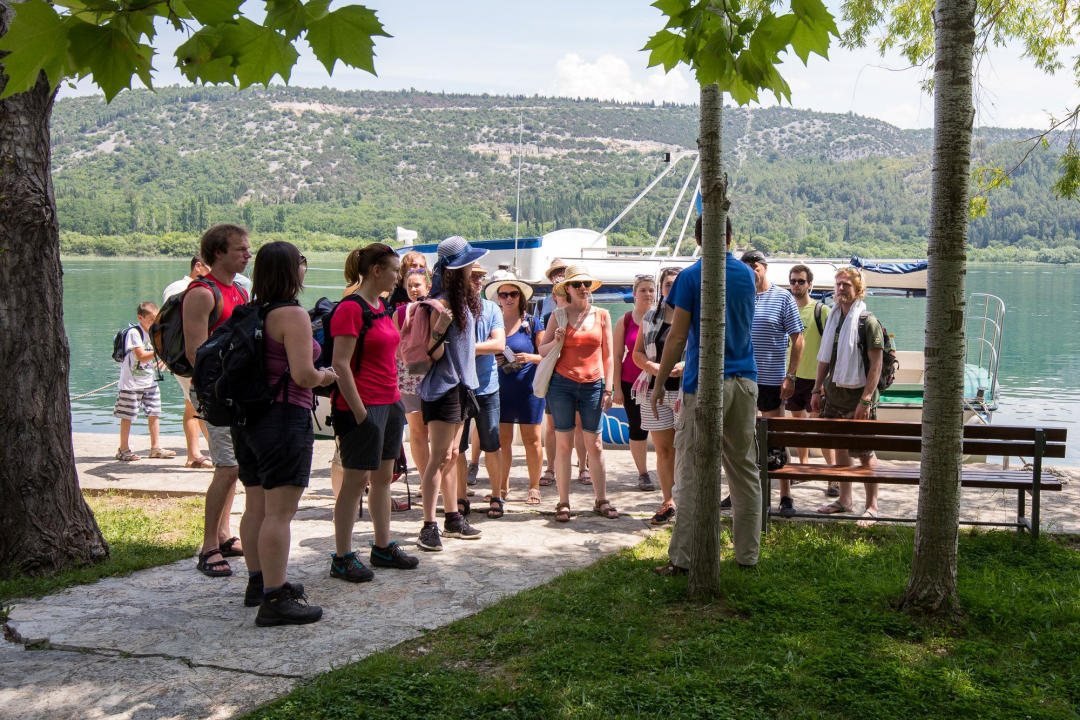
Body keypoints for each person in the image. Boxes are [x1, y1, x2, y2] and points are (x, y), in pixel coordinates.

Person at [652, 215, 760, 574]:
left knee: (691, 472)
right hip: (745, 382)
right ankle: (747, 557)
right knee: (744, 471)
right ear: (730, 236)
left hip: (705, 385)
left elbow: (677, 337)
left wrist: (658, 382)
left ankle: (683, 559)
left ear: (699, 239)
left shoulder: (691, 276)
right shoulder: (747, 275)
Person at [235, 241, 335, 626]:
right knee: (280, 513)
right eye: (302, 263)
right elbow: (304, 375)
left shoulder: (251, 311)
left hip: (249, 419)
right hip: (283, 417)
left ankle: (258, 582)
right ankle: (275, 599)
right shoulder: (292, 314)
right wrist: (328, 376)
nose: (305, 269)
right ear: (293, 270)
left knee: (256, 506)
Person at [330, 242, 421, 580]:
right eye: (396, 270)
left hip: (390, 402)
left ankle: (382, 547)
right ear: (376, 270)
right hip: (364, 407)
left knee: (384, 479)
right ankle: (342, 556)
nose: (400, 277)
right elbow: (340, 363)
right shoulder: (350, 309)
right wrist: (359, 413)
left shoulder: (380, 306)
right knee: (354, 483)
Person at [183, 223, 251, 578]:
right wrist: (221, 390)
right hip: (217, 394)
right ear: (219, 252)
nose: (248, 254)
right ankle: (208, 546)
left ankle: (224, 534)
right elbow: (197, 354)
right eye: (241, 249)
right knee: (226, 467)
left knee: (236, 467)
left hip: (238, 392)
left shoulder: (239, 290)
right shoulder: (202, 293)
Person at [417, 237, 488, 551]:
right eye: (469, 262)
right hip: (443, 389)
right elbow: (429, 353)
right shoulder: (442, 303)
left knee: (449, 456)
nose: (473, 267)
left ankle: (451, 518)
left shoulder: (461, 300)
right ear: (457, 267)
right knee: (439, 458)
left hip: (461, 386)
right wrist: (439, 327)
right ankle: (428, 525)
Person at [538, 265, 617, 523]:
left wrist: (609, 389)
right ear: (568, 290)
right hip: (561, 385)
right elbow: (542, 350)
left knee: (594, 444)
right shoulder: (557, 316)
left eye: (586, 284)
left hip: (594, 385)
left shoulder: (603, 315)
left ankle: (601, 499)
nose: (583, 288)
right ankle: (563, 501)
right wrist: (556, 340)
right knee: (564, 444)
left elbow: (609, 356)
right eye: (578, 284)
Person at [811, 266, 884, 527]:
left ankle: (872, 506)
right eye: (838, 284)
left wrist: (866, 399)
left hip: (859, 399)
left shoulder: (868, 321)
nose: (841, 289)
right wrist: (817, 389)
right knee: (840, 449)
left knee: (864, 452)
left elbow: (876, 365)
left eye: (847, 286)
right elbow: (824, 359)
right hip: (833, 395)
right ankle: (845, 500)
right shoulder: (833, 319)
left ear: (858, 290)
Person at [740, 249, 804, 517]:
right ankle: (741, 493)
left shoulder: (782, 297)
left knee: (775, 441)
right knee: (742, 438)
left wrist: (790, 376)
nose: (752, 270)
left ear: (764, 267)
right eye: (747, 266)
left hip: (771, 381)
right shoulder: (738, 296)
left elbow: (798, 339)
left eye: (756, 266)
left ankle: (785, 495)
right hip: (742, 379)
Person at [632, 267, 683, 524]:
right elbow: (637, 354)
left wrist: (684, 366)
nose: (671, 289)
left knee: (686, 449)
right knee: (663, 451)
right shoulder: (650, 317)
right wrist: (654, 368)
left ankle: (688, 501)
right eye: (667, 285)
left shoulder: (696, 315)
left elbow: (706, 350)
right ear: (661, 288)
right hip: (655, 391)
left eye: (676, 284)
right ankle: (669, 501)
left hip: (687, 391)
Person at [454, 266, 506, 519]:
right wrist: (478, 348)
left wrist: (466, 347)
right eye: (473, 276)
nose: (478, 281)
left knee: (492, 444)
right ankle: (461, 497)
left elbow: (499, 344)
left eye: (481, 277)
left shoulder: (492, 308)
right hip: (458, 387)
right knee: (458, 448)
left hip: (487, 387)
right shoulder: (451, 306)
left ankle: (496, 496)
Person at [491, 276, 545, 506]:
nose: (509, 298)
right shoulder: (493, 323)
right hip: (500, 388)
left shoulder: (532, 322)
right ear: (498, 298)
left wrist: (529, 357)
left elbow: (546, 355)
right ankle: (502, 486)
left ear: (521, 297)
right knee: (503, 440)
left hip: (528, 388)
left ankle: (534, 487)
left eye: (513, 294)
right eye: (503, 294)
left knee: (532, 440)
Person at [785, 265, 837, 489]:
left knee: (822, 430)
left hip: (816, 381)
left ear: (810, 285)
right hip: (792, 378)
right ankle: (803, 468)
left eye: (801, 281)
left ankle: (833, 477)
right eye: (793, 281)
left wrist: (825, 381)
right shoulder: (786, 309)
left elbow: (832, 348)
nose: (797, 285)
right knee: (798, 427)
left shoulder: (821, 311)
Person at [163, 255, 212, 469]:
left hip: (196, 354)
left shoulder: (199, 287)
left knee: (197, 402)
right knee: (193, 402)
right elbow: (174, 326)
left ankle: (205, 451)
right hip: (186, 356)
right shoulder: (180, 288)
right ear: (198, 266)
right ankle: (193, 454)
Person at [541, 280, 589, 487]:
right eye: (562, 295)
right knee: (552, 427)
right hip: (556, 379)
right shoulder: (548, 317)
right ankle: (550, 468)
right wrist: (556, 341)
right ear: (557, 297)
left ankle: (582, 467)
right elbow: (542, 351)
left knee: (580, 426)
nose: (566, 299)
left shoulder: (587, 316)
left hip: (581, 378)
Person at [113, 302, 173, 462]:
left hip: (149, 381)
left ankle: (155, 448)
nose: (154, 323)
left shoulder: (155, 333)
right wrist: (160, 351)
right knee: (128, 416)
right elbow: (141, 356)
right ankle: (123, 449)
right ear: (140, 317)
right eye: (151, 320)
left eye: (156, 319)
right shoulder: (134, 333)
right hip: (131, 383)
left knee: (154, 413)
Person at [613, 274, 657, 491]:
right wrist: (616, 388)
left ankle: (669, 473)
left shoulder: (663, 317)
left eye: (651, 290)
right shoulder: (626, 320)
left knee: (664, 430)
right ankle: (643, 474)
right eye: (643, 290)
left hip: (660, 381)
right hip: (631, 382)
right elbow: (617, 356)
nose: (648, 294)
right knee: (637, 429)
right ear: (634, 293)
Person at [394, 268, 433, 498]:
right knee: (418, 432)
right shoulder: (399, 312)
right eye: (409, 286)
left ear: (428, 287)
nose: (413, 289)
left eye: (418, 285)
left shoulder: (436, 309)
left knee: (434, 433)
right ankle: (425, 479)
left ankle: (436, 479)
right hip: (409, 376)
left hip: (433, 375)